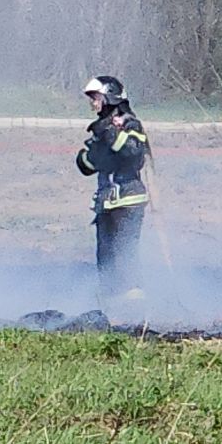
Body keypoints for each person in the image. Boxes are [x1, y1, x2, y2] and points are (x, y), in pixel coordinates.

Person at [75, 75, 149, 304]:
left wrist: (109, 132)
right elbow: (85, 165)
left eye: (95, 97)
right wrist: (96, 150)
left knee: (124, 256)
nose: (92, 103)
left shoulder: (130, 123)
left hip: (128, 201)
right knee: (106, 258)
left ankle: (133, 308)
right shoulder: (100, 129)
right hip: (106, 203)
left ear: (109, 96)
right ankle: (109, 302)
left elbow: (131, 150)